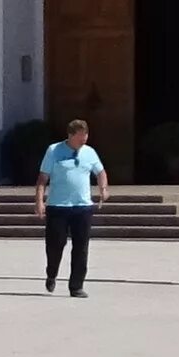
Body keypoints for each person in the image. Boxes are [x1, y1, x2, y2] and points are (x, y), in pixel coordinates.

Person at [35, 118, 108, 296]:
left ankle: (76, 286)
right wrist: (39, 201)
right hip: (58, 207)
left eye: (86, 136)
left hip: (82, 207)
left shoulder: (89, 152)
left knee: (81, 247)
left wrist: (103, 189)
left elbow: (100, 172)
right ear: (70, 135)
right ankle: (51, 274)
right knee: (55, 245)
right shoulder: (54, 150)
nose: (84, 140)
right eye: (80, 137)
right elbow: (42, 179)